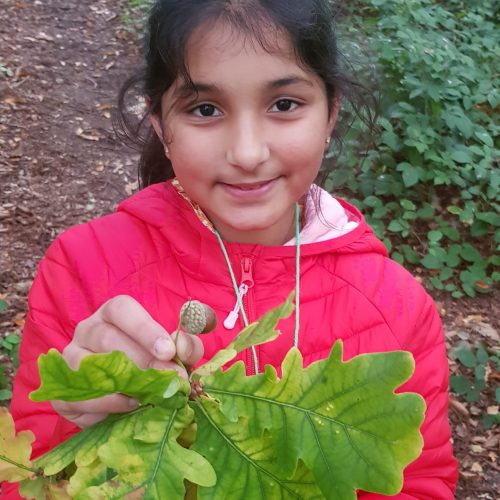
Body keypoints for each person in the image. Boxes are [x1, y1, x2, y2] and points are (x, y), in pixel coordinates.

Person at [5, 0, 458, 497]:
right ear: (160, 123)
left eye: (284, 104)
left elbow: (419, 482)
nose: (247, 153)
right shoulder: (83, 268)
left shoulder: (397, 311)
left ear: (331, 114)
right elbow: (28, 472)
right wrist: (79, 409)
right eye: (205, 109)